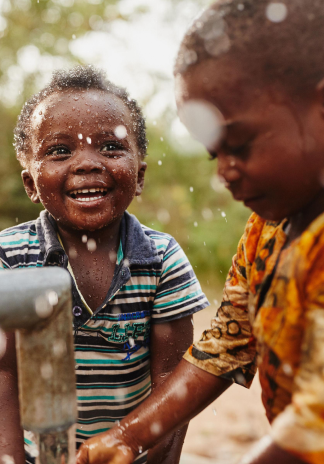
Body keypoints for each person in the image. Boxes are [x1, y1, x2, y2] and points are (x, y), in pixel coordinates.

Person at [75, 1, 324, 463]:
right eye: (214, 155)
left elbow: (314, 424)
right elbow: (225, 346)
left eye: (239, 146)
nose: (225, 173)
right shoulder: (265, 232)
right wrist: (129, 435)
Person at [0, 65, 209, 464]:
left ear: (138, 176)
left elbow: (173, 381)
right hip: (38, 457)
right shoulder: (9, 255)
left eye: (110, 147)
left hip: (133, 453)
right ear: (31, 183)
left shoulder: (162, 259)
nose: (87, 163)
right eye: (59, 151)